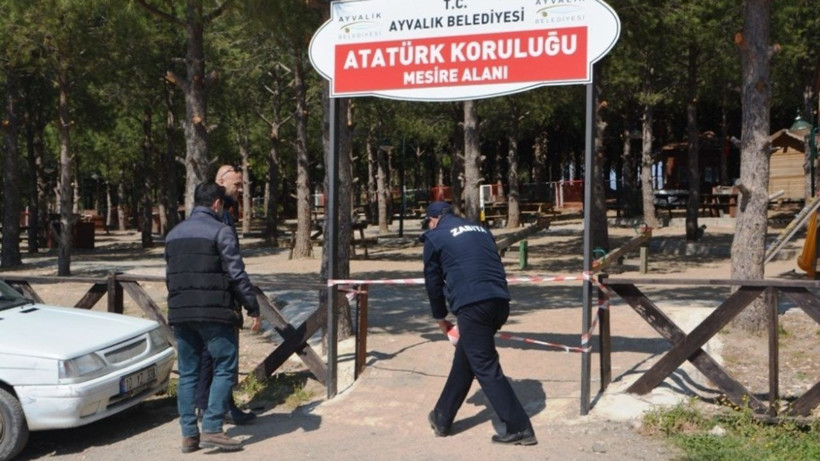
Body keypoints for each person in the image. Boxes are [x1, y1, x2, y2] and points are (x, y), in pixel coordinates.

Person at [420, 201, 537, 446]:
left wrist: (440, 318)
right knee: (466, 360)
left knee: (485, 365)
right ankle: (441, 417)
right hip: (501, 302)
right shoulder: (481, 230)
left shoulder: (435, 235)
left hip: (474, 306)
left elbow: (433, 282)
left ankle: (520, 427)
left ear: (433, 219)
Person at [166, 181, 261, 453]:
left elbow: (170, 276)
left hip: (181, 313)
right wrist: (252, 306)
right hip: (215, 312)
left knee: (187, 374)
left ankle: (188, 435)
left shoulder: (173, 234)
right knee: (224, 366)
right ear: (217, 204)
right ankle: (212, 428)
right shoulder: (221, 231)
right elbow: (236, 274)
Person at [193, 165, 257, 425]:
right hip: (218, 296)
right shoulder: (218, 216)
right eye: (236, 184)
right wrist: (246, 299)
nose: (240, 190)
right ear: (221, 182)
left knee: (212, 355)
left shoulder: (226, 213)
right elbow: (227, 262)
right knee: (219, 357)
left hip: (217, 294)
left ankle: (207, 406)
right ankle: (215, 410)